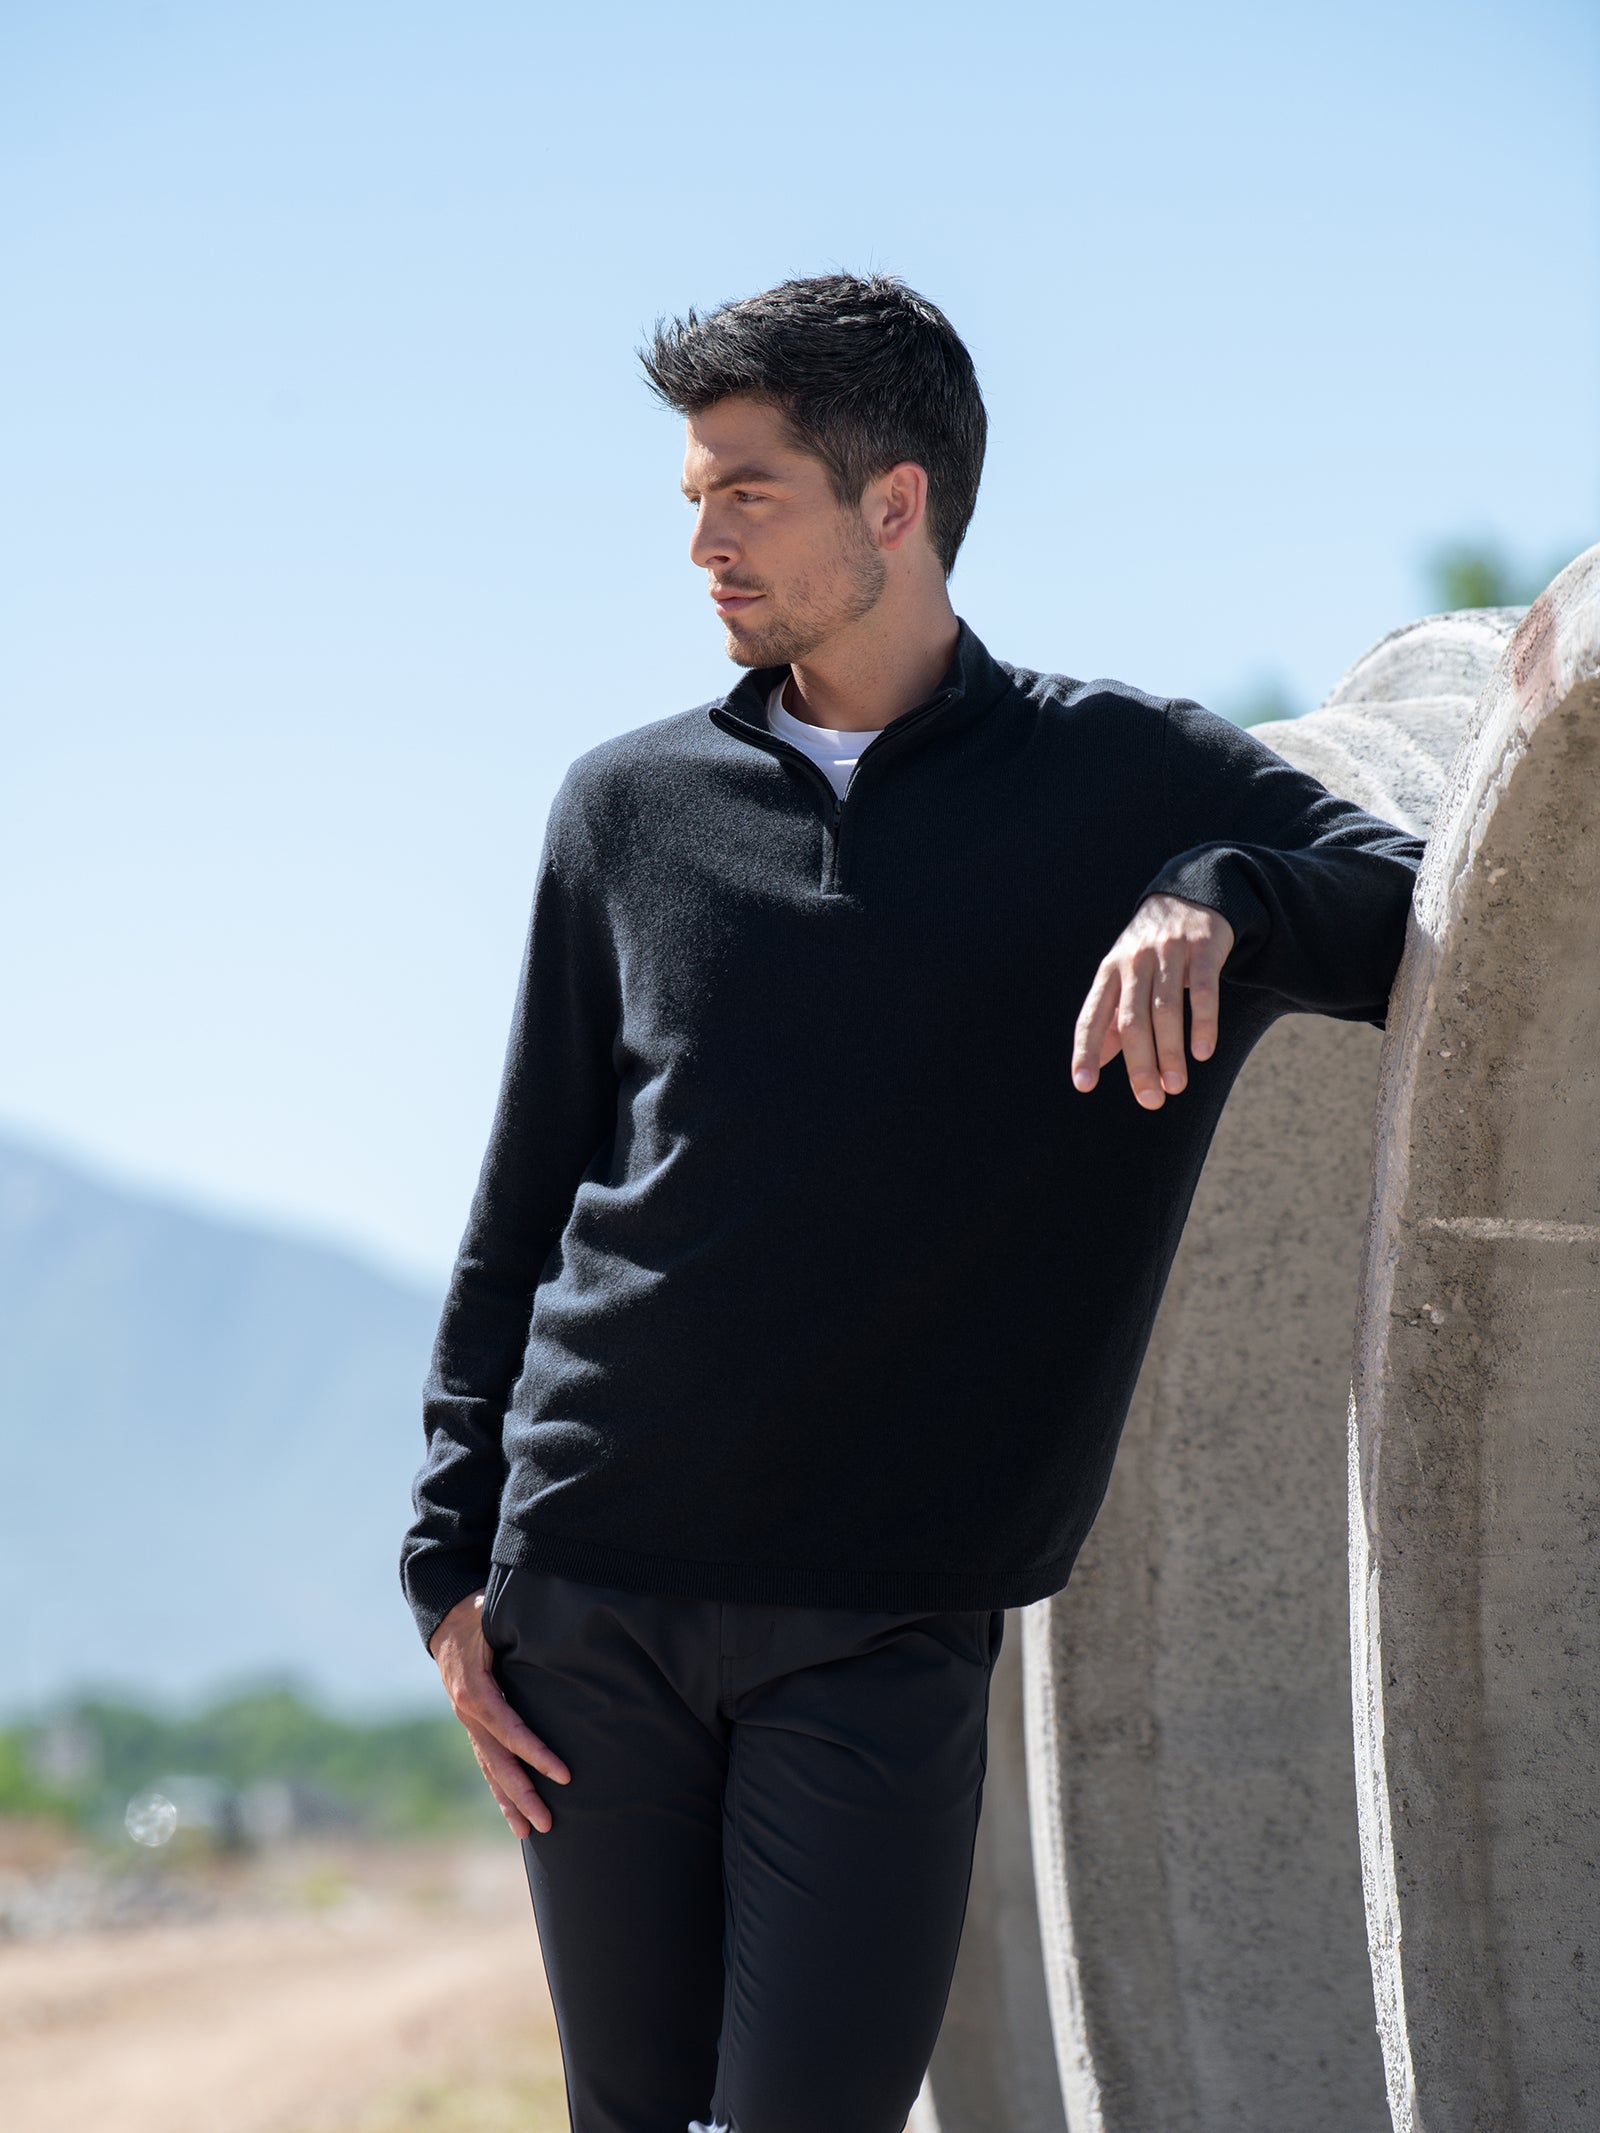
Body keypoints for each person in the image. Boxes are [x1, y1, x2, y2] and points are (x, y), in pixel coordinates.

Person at [400, 273, 1423, 2133]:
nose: (703, 540)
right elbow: (532, 1189)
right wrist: (448, 1554)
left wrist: (1218, 891)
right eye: (693, 495)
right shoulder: (624, 806)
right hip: (594, 1575)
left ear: (897, 504)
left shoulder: (1116, 774)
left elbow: (1405, 904)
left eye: (748, 491)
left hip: (882, 1613)